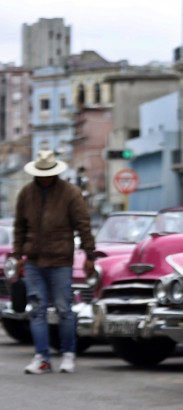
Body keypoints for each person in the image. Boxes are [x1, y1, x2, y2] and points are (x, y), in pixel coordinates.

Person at [13, 150, 96, 374]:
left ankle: (68, 354)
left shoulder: (71, 193)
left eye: (48, 173)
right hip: (33, 260)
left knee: (64, 309)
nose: (45, 177)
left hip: (61, 259)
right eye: (41, 173)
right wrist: (17, 256)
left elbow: (83, 224)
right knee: (37, 309)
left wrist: (90, 255)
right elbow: (19, 227)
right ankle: (42, 357)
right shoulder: (26, 194)